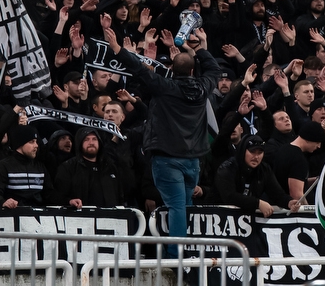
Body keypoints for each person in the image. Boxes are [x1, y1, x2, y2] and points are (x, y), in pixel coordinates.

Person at [104, 26, 219, 257]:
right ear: (193, 70)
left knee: (177, 207)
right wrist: (198, 48)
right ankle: (183, 253)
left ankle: (175, 255)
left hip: (168, 160)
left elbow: (139, 70)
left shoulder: (165, 87)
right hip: (193, 161)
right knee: (184, 207)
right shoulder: (204, 87)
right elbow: (214, 69)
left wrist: (117, 48)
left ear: (172, 71)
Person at [214, 133, 299, 215]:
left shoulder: (264, 169)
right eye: (252, 152)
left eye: (260, 153)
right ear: (243, 151)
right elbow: (229, 196)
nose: (256, 157)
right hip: (217, 216)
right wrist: (257, 203)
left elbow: (277, 194)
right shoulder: (227, 168)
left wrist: (289, 202)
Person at [0, 125, 57, 207]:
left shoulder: (40, 167)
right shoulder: (4, 166)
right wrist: (3, 202)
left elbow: (50, 195)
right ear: (20, 143)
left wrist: (69, 201)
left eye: (36, 142)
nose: (36, 145)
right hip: (13, 214)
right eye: (31, 142)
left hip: (37, 215)